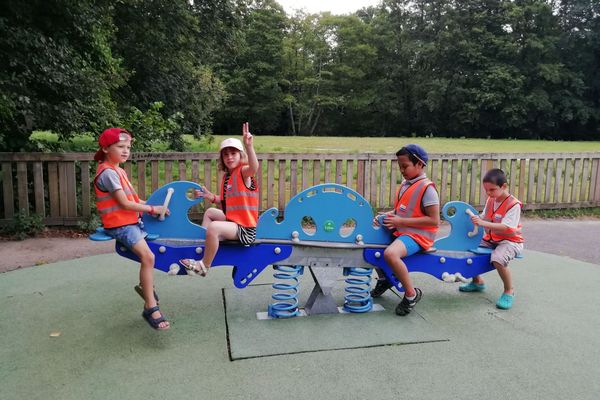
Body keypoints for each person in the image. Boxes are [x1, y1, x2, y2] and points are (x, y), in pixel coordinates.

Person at [93, 127, 170, 330]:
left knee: (153, 251)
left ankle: (146, 287)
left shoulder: (118, 170)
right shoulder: (108, 173)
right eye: (120, 147)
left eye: (128, 147)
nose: (126, 151)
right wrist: (152, 208)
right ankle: (150, 307)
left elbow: (133, 200)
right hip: (121, 225)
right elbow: (125, 205)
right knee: (149, 257)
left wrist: (152, 209)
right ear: (106, 148)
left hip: (130, 222)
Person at [179, 122, 259, 276]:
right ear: (222, 158)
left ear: (241, 155)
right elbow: (226, 202)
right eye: (226, 154)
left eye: (233, 153)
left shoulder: (243, 172)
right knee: (210, 212)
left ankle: (203, 266)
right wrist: (210, 197)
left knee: (214, 227)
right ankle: (203, 245)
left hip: (245, 229)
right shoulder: (228, 176)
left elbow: (254, 168)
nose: (229, 157)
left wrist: (249, 146)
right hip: (233, 221)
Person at [371, 144, 440, 316]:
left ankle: (411, 294)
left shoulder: (427, 189)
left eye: (405, 166)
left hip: (419, 236)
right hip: (404, 232)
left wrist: (400, 221)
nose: (402, 170)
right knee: (373, 245)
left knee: (390, 254)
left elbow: (434, 220)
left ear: (420, 164)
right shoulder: (406, 184)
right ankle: (385, 279)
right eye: (400, 166)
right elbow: (403, 210)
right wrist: (388, 215)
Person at [459, 168, 524, 310]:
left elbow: (507, 228)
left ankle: (509, 291)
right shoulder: (491, 200)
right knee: (471, 250)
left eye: (492, 190)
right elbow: (486, 217)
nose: (488, 193)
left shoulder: (513, 205)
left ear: (504, 186)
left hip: (510, 242)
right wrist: (476, 218)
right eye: (486, 190)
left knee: (498, 259)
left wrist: (482, 223)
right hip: (491, 239)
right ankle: (477, 281)